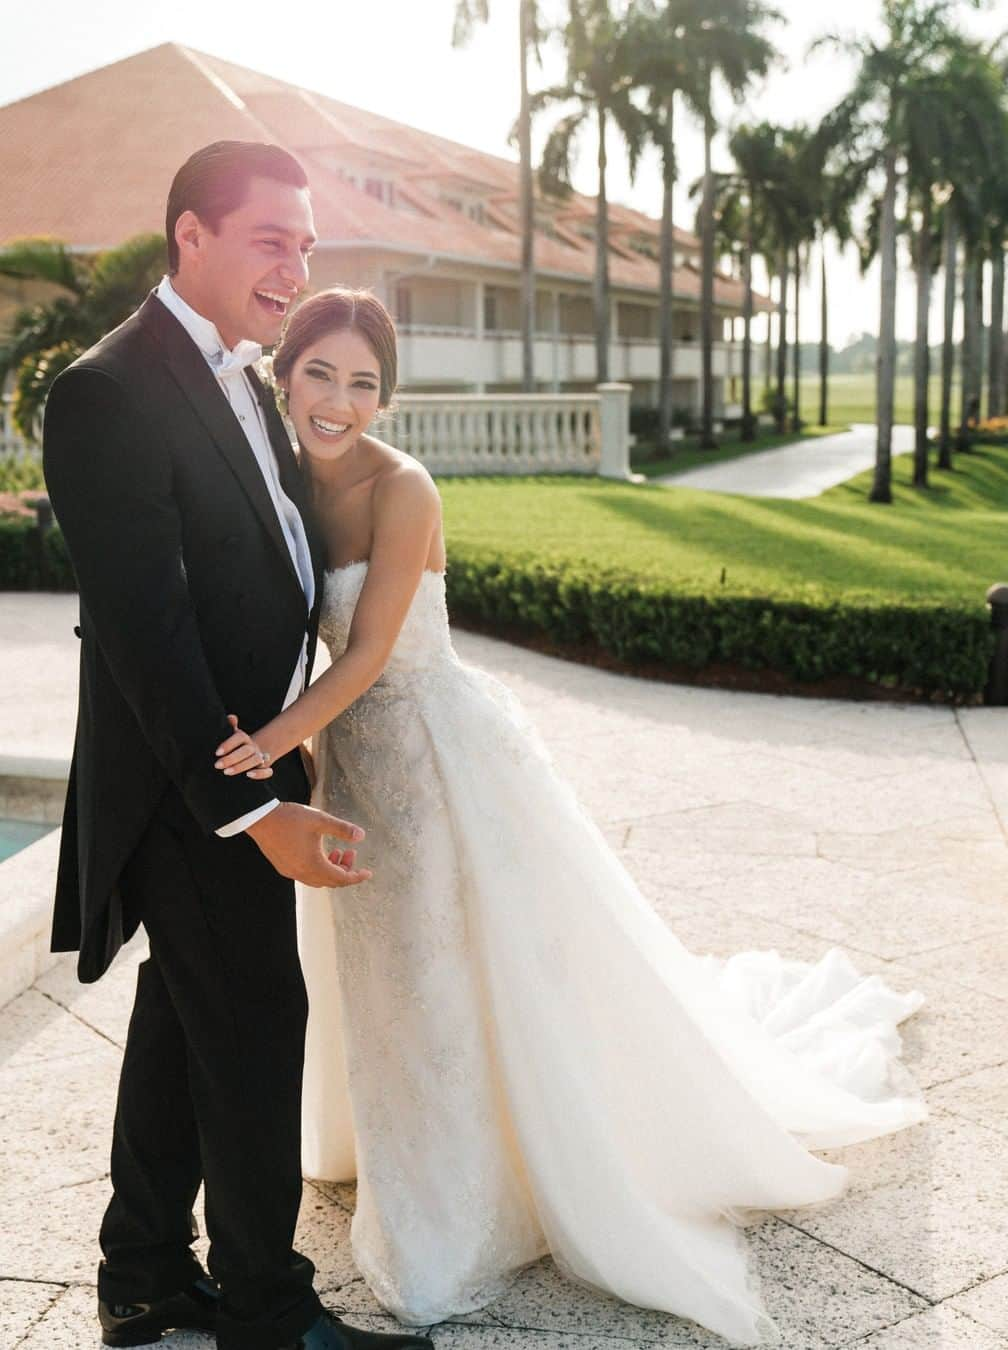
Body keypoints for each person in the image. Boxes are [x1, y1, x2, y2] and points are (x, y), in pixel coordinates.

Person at [211, 286, 930, 1348]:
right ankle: (390, 1148)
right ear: (285, 371)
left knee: (447, 977)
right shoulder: (282, 481)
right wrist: (294, 750)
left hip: (433, 752)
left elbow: (365, 654)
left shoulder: (402, 488)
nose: (338, 400)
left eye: (364, 382)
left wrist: (268, 742)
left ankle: (451, 1220)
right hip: (352, 760)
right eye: (319, 372)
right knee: (381, 971)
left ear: (386, 396)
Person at [43, 142, 432, 1350]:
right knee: (258, 1016)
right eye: (272, 239)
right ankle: (269, 1307)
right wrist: (259, 807)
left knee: (187, 1011)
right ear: (191, 237)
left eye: (306, 244)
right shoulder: (108, 389)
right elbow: (148, 635)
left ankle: (146, 1274)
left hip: (245, 759)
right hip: (193, 780)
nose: (296, 264)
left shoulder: (245, 378)